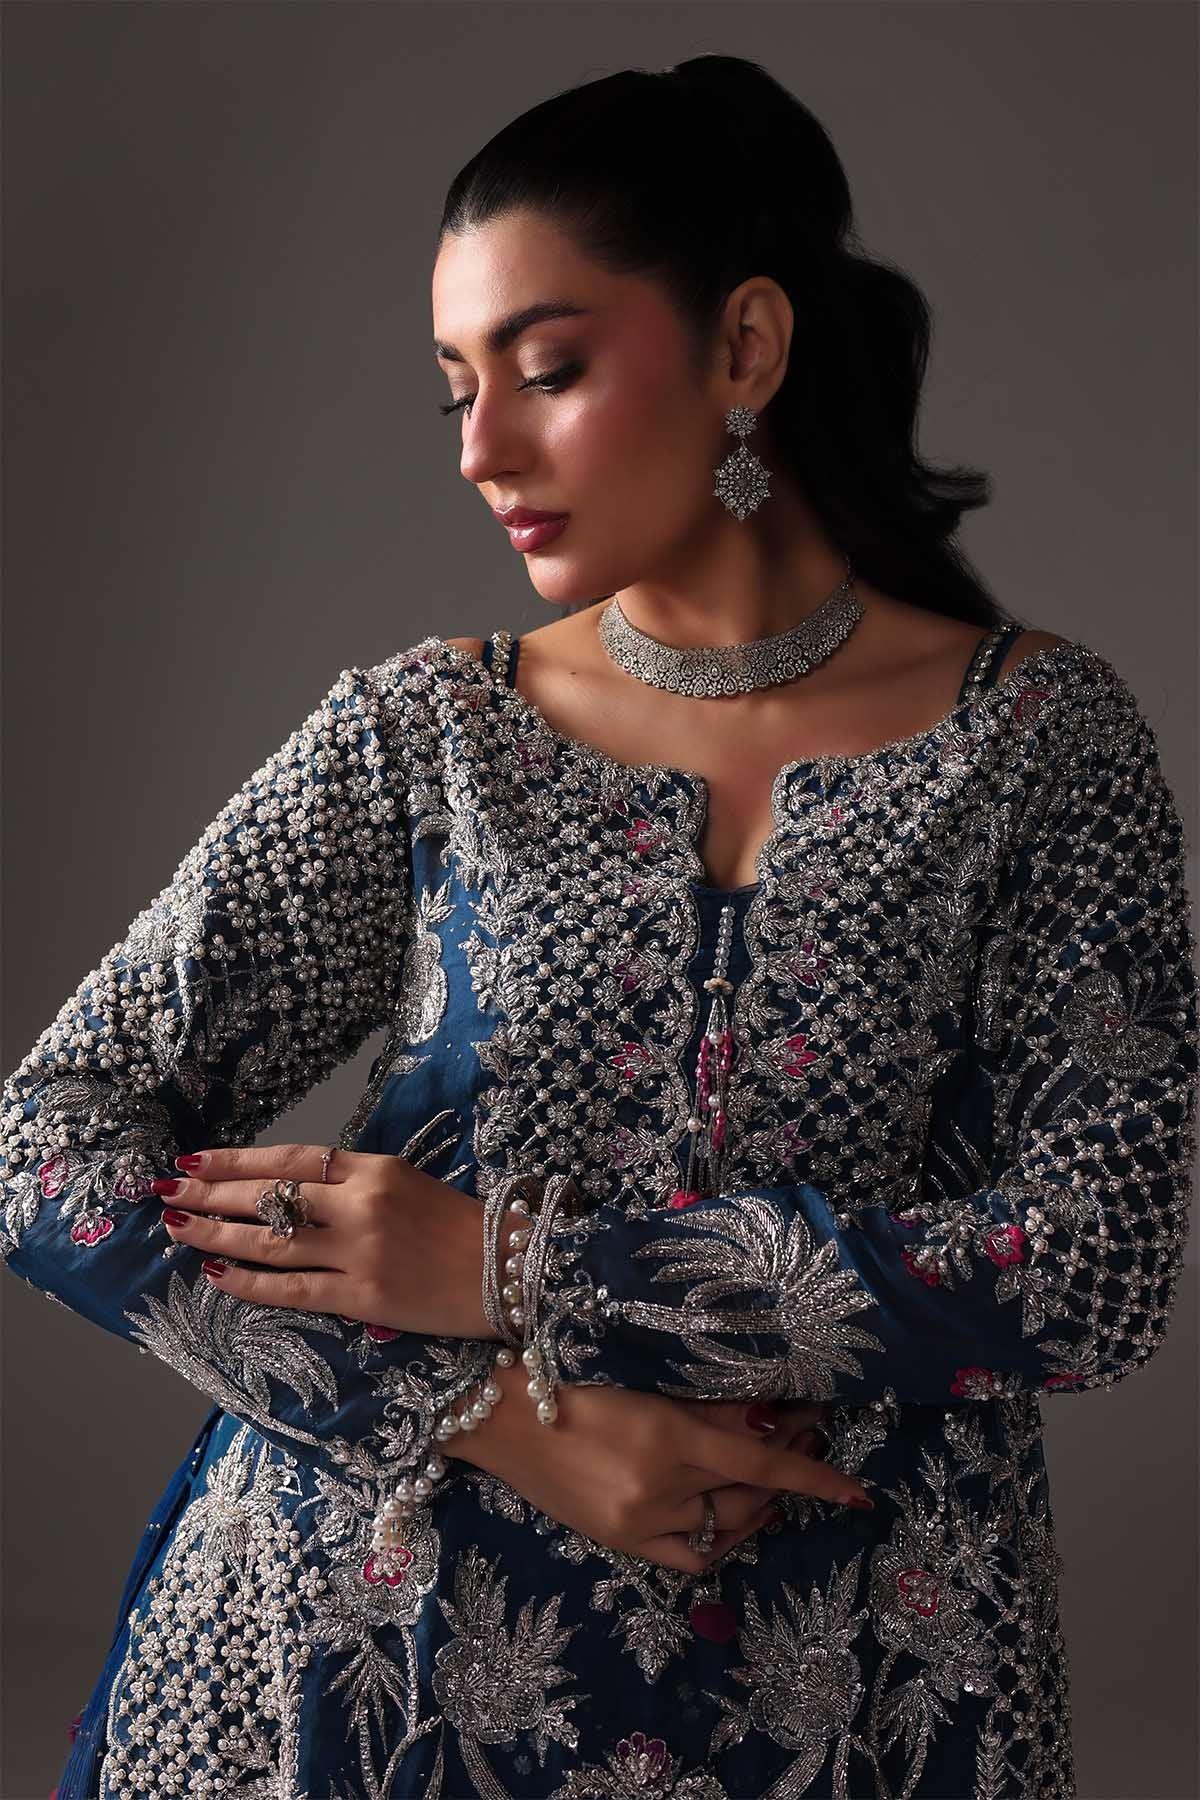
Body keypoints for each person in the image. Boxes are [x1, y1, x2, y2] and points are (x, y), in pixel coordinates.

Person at [7, 51, 1197, 1800]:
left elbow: (1097, 1265)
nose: (481, 450)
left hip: (867, 1687)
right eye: (455, 391)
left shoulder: (1035, 745)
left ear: (747, 347)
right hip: (367, 1668)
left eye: (547, 370)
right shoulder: (425, 737)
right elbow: (47, 1143)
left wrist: (510, 1269)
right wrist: (483, 1413)